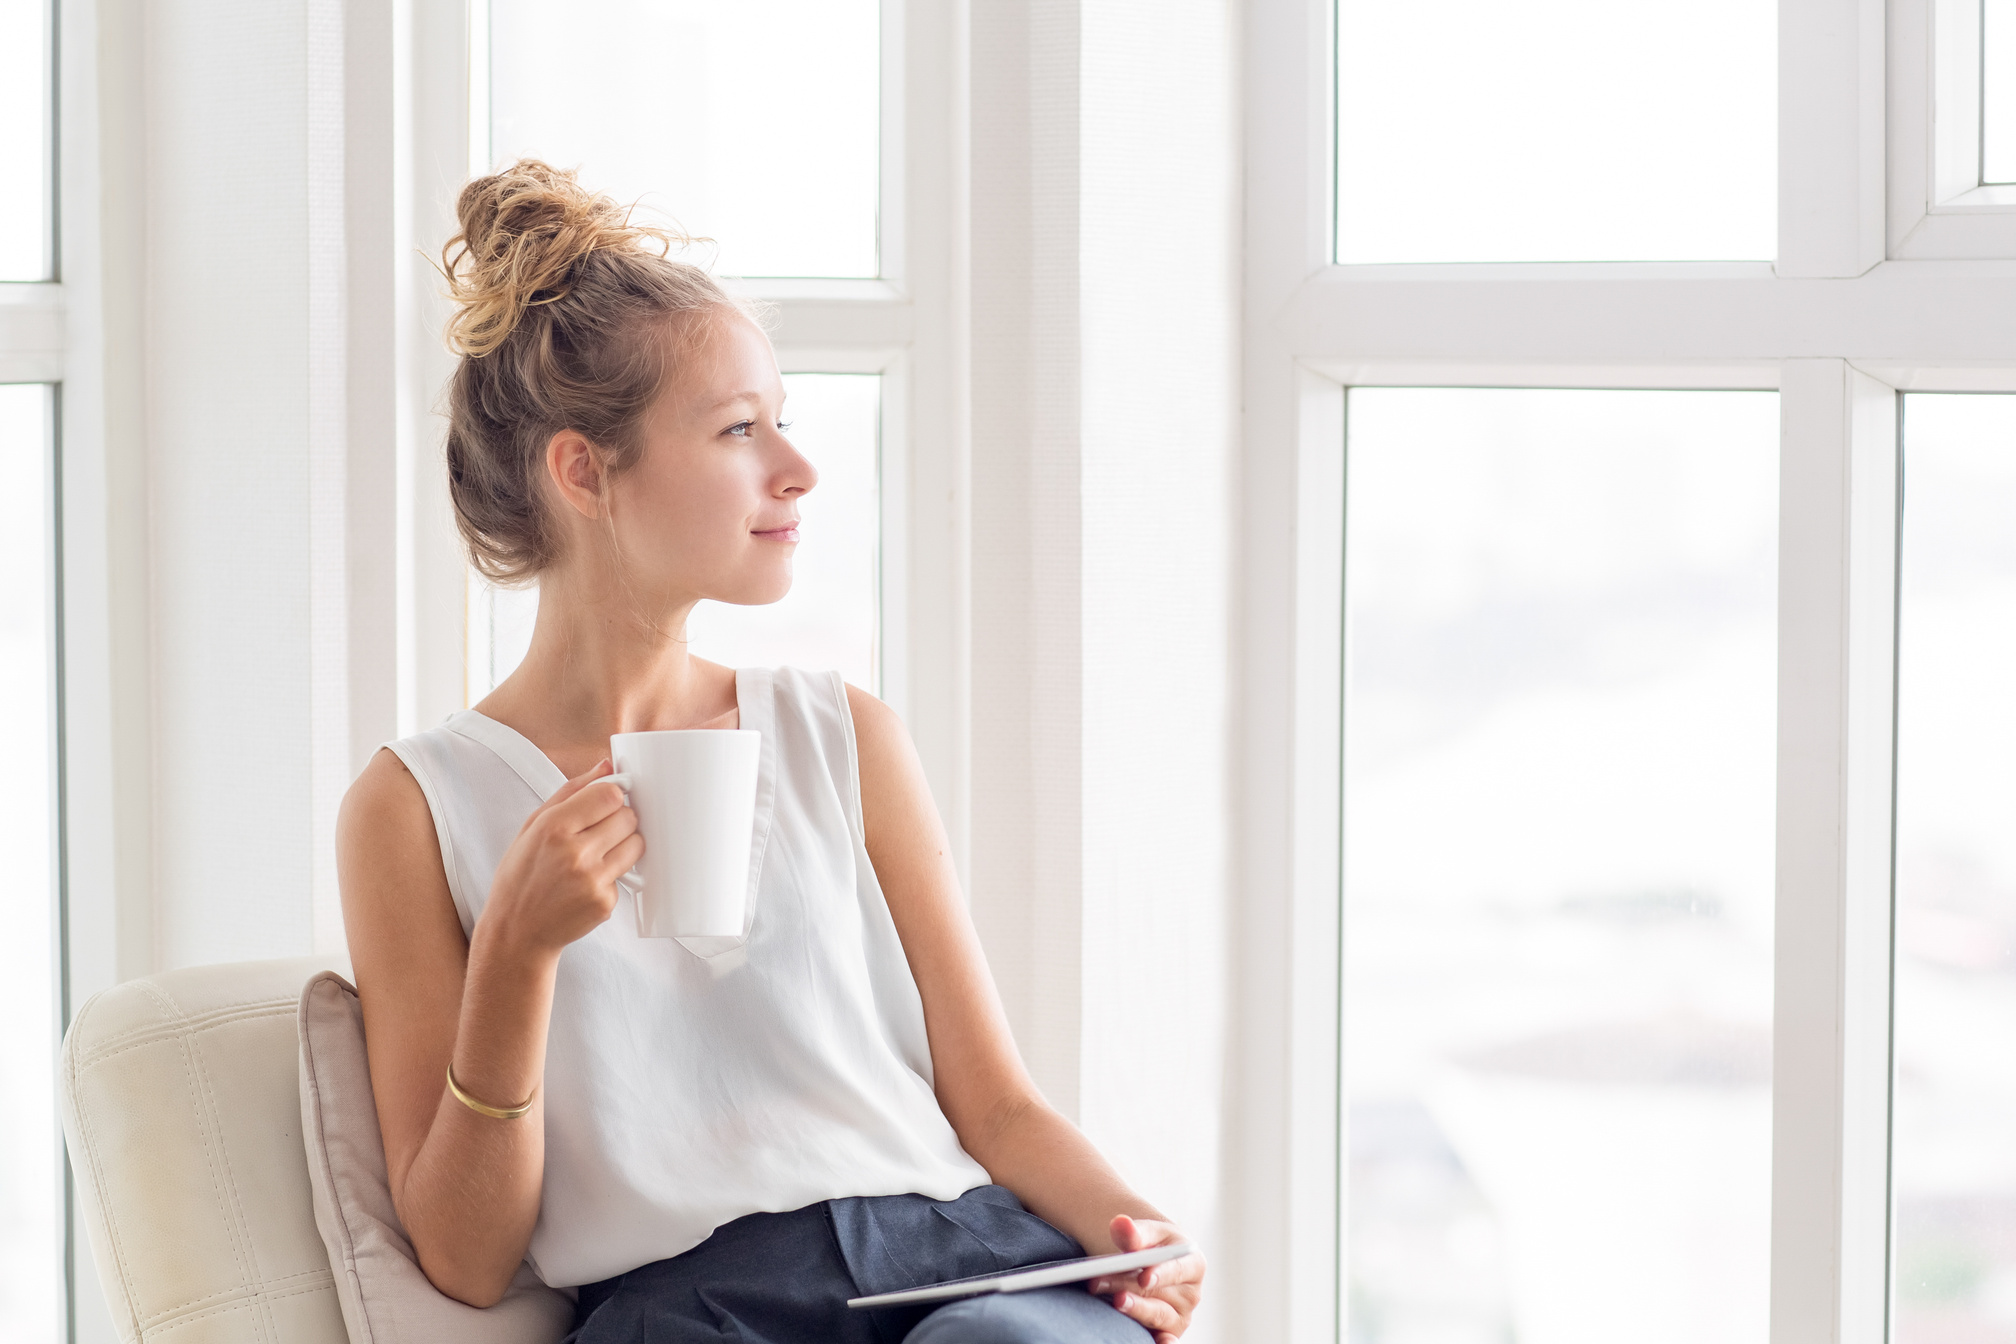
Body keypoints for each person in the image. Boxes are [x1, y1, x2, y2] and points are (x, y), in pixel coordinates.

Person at [336, 159, 1205, 1344]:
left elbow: (995, 1103)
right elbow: (465, 1258)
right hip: (688, 1315)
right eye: (740, 430)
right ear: (584, 471)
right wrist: (517, 955)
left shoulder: (842, 734)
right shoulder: (416, 806)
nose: (796, 469)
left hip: (952, 1263)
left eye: (782, 422)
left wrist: (1133, 1231)